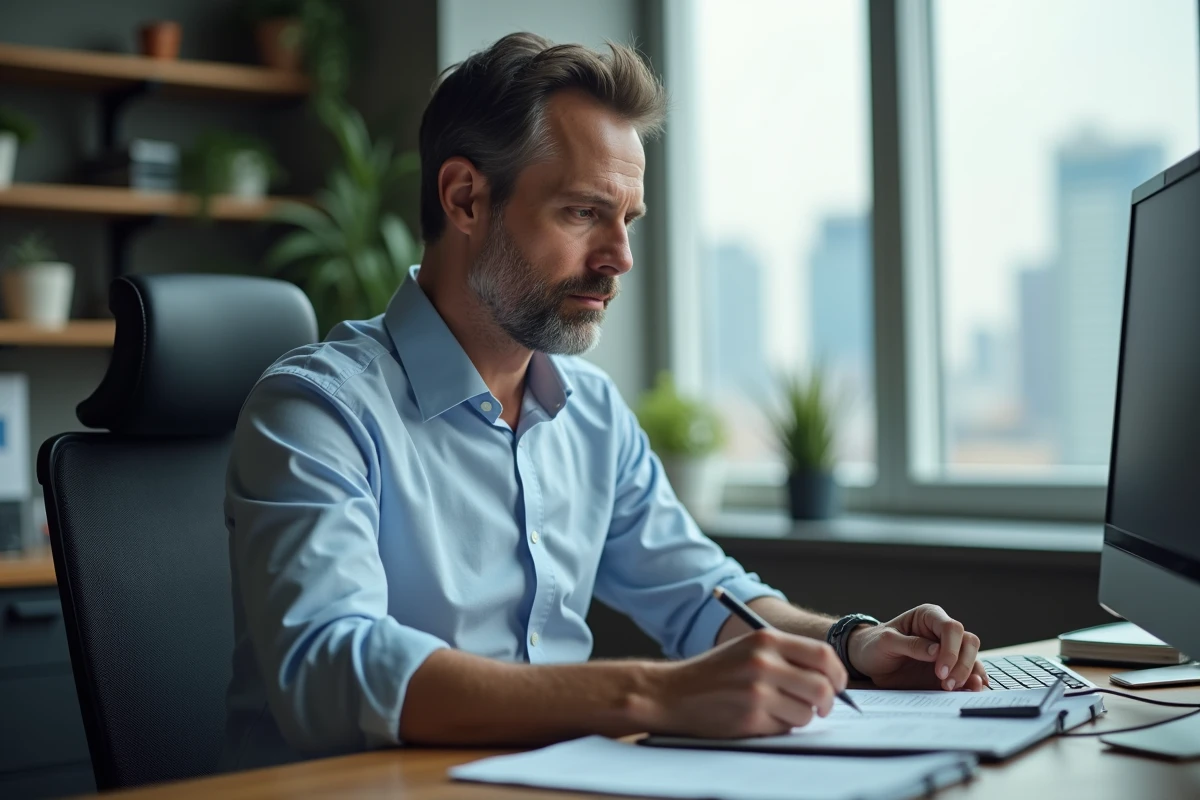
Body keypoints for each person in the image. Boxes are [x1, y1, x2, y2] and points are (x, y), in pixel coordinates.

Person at [221, 32, 988, 770]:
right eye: (583, 213)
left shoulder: (589, 411)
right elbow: (328, 667)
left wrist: (855, 642)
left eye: (627, 221)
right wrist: (651, 693)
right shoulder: (318, 412)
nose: (618, 258)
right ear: (464, 198)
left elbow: (702, 598)